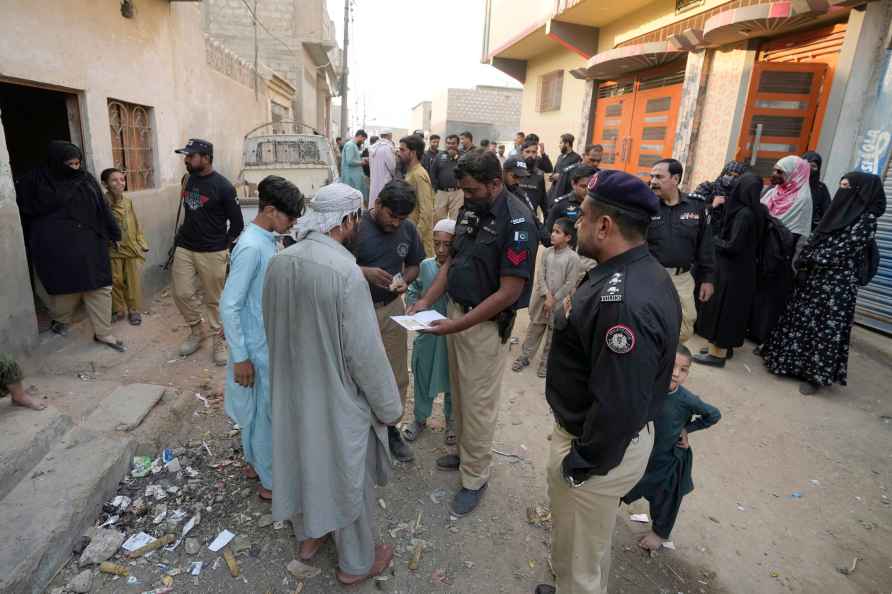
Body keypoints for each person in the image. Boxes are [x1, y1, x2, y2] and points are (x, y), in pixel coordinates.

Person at [536, 169, 681, 594]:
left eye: (581, 216)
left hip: (597, 450)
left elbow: (619, 406)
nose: (575, 223)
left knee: (583, 563)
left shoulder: (624, 301)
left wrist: (581, 464)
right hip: (597, 440)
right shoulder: (630, 270)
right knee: (583, 544)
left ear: (604, 225)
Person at [264, 182, 401, 586]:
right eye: (356, 218)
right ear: (346, 220)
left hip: (291, 389)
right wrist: (389, 407)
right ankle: (356, 562)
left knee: (302, 460)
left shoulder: (281, 261)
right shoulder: (344, 273)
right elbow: (365, 355)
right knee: (347, 474)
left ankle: (309, 539)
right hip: (334, 394)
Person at [408, 148, 538, 516]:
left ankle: (475, 477)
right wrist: (426, 303)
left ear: (495, 184)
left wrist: (456, 324)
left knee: (478, 405)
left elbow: (509, 292)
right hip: (455, 314)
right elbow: (452, 264)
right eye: (462, 190)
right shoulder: (469, 210)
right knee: (460, 394)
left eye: (472, 190)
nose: (465, 197)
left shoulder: (518, 223)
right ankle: (465, 455)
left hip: (481, 327)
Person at [761, 172, 886, 395]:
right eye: (841, 185)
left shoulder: (866, 220)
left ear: (860, 191)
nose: (842, 191)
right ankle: (789, 364)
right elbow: (818, 235)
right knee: (802, 321)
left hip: (837, 285)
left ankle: (815, 377)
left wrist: (815, 257)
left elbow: (845, 250)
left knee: (825, 329)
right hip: (814, 279)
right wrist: (807, 254)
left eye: (846, 186)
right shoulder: (837, 212)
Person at [221, 176, 303, 500]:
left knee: (259, 410)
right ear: (270, 210)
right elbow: (230, 304)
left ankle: (256, 463)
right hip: (256, 346)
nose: (293, 223)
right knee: (268, 413)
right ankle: (271, 483)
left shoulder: (268, 239)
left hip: (264, 340)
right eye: (290, 217)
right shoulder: (252, 247)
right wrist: (240, 356)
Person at [16, 141, 124, 351]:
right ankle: (61, 320)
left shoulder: (86, 179)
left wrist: (115, 233)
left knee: (99, 287)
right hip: (56, 248)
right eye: (70, 164)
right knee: (62, 288)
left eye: (77, 163)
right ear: (56, 162)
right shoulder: (34, 182)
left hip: (91, 243)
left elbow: (103, 208)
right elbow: (26, 211)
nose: (75, 168)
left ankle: (104, 333)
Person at [621, 345, 721, 551]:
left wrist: (687, 428)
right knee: (622, 485)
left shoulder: (686, 399)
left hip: (668, 460)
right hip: (640, 455)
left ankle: (659, 533)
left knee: (665, 499)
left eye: (683, 370)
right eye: (672, 366)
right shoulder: (647, 387)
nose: (676, 373)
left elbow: (714, 415)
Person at [354, 179, 425, 462]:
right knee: (356, 372)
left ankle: (391, 429)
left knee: (396, 372)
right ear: (378, 204)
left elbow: (415, 265)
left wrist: (405, 281)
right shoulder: (355, 227)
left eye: (401, 218)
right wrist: (364, 272)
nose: (396, 224)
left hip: (393, 307)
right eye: (391, 216)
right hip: (358, 309)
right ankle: (360, 430)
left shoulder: (408, 229)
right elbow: (333, 267)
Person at [171, 138, 244, 366]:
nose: (186, 160)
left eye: (190, 156)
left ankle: (218, 340)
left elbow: (238, 223)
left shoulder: (223, 186)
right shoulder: (187, 180)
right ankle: (196, 331)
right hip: (185, 246)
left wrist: (224, 246)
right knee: (181, 293)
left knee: (214, 300)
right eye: (186, 156)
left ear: (205, 158)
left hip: (213, 251)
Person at [692, 174, 766, 367]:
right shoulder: (757, 210)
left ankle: (718, 354)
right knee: (732, 312)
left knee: (723, 311)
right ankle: (724, 347)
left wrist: (712, 240)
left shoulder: (744, 214)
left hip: (732, 271)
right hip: (743, 270)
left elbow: (733, 246)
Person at [647, 158, 714, 343]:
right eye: (651, 176)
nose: (653, 181)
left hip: (681, 278)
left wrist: (708, 278)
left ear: (675, 179)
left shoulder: (696, 206)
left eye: (659, 177)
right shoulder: (646, 206)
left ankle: (668, 357)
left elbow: (705, 245)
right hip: (650, 276)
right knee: (647, 322)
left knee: (685, 327)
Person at [404, 218, 456, 446]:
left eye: (447, 244)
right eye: (437, 244)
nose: (442, 249)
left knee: (453, 380)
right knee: (423, 374)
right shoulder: (426, 266)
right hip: (427, 333)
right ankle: (420, 419)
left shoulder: (460, 268)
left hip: (452, 334)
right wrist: (412, 303)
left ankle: (452, 421)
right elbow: (415, 289)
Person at [512, 218, 579, 378]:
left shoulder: (573, 258)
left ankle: (546, 363)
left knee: (552, 335)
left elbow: (570, 283)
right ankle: (525, 357)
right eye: (553, 231)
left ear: (568, 237)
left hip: (558, 304)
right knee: (534, 328)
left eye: (557, 232)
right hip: (541, 300)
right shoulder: (547, 252)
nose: (553, 235)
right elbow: (540, 274)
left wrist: (554, 299)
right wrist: (546, 295)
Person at [100, 168, 149, 326]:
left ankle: (133, 309)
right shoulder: (102, 203)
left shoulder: (128, 202)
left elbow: (135, 222)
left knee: (133, 281)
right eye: (114, 180)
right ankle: (118, 310)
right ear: (105, 184)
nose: (120, 183)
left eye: (122, 179)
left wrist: (141, 241)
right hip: (113, 249)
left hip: (131, 248)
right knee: (116, 280)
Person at [761, 155, 813, 243]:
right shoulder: (774, 190)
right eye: (774, 170)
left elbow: (793, 232)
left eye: (779, 172)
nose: (774, 174)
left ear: (793, 174)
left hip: (779, 246)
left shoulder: (802, 199)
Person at [542, 165, 597, 247]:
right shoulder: (561, 205)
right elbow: (547, 237)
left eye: (590, 187)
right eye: (583, 186)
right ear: (573, 184)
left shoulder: (597, 205)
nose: (587, 191)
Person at [400, 135, 435, 256]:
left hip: (420, 243)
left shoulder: (419, 174)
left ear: (413, 153)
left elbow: (426, 211)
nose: (400, 153)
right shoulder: (411, 172)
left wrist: (415, 237)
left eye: (403, 150)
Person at [431, 134, 463, 223]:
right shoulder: (439, 156)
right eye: (448, 143)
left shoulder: (463, 156)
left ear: (458, 144)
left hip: (457, 192)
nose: (450, 146)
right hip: (441, 192)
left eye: (453, 143)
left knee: (455, 219)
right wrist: (435, 188)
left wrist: (456, 158)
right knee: (438, 219)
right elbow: (433, 172)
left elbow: (466, 172)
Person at [547, 133, 581, 205]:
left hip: (564, 194)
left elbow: (574, 177)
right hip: (554, 192)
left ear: (567, 144)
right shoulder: (560, 157)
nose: (559, 145)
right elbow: (555, 171)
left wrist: (560, 177)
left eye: (561, 143)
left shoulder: (576, 158)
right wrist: (552, 177)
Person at [802, 151, 832, 231]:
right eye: (806, 165)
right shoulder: (788, 183)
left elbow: (827, 212)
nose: (809, 169)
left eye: (813, 166)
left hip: (807, 230)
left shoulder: (821, 188)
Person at [518, 142, 548, 219]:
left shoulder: (539, 175)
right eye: (527, 152)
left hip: (531, 220)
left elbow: (544, 203)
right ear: (522, 153)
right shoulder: (513, 172)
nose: (530, 155)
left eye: (534, 152)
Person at [368, 131, 396, 208]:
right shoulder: (387, 148)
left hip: (374, 179)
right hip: (384, 180)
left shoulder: (373, 147)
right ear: (389, 136)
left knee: (374, 199)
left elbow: (370, 165)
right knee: (383, 201)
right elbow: (392, 166)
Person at [340, 129, 369, 202]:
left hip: (353, 177)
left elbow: (354, 157)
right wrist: (361, 162)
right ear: (359, 136)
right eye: (363, 139)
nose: (363, 142)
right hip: (351, 178)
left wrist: (362, 159)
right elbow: (350, 161)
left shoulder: (353, 145)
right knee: (351, 199)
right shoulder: (350, 145)